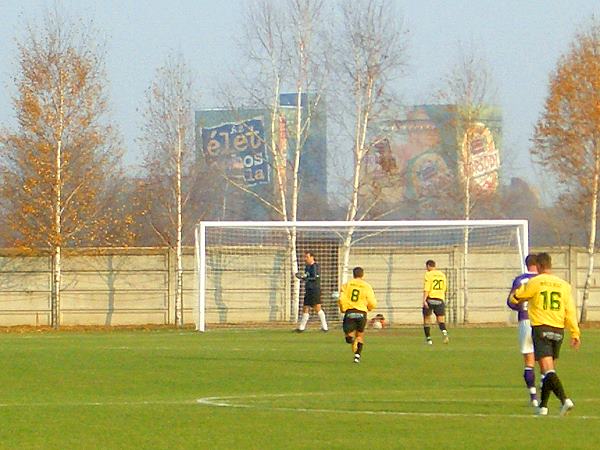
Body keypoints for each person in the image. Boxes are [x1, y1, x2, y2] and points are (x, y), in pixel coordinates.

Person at [510, 252, 581, 416]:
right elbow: (570, 311)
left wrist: (516, 295)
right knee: (547, 370)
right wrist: (575, 333)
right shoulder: (564, 285)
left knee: (547, 370)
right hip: (558, 330)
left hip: (542, 328)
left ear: (539, 266)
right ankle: (543, 407)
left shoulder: (535, 282)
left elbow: (517, 298)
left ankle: (565, 400)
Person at [506, 254, 539, 408]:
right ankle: (546, 397)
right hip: (542, 320)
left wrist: (520, 305)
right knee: (547, 360)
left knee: (529, 361)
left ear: (526, 265)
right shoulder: (543, 279)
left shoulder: (520, 280)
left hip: (525, 320)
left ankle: (533, 397)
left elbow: (511, 301)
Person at [338, 266, 377, 363]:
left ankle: (350, 339)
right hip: (361, 313)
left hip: (350, 312)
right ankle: (357, 356)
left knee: (348, 336)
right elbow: (372, 301)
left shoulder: (347, 285)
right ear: (362, 275)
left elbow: (341, 298)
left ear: (353, 274)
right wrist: (370, 308)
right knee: (360, 336)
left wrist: (343, 309)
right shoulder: (367, 286)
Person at [295, 251, 328, 332]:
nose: (305, 259)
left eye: (307, 257)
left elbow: (315, 278)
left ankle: (325, 327)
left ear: (312, 257)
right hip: (309, 290)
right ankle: (301, 328)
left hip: (315, 290)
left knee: (317, 308)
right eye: (305, 257)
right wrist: (302, 277)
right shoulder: (307, 267)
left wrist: (305, 278)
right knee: (305, 307)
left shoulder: (315, 266)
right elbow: (307, 277)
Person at [422, 259, 449, 344]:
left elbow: (427, 288)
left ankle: (429, 340)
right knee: (441, 320)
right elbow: (445, 288)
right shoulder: (442, 275)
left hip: (430, 298)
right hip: (440, 299)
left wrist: (424, 300)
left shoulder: (428, 274)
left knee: (427, 319)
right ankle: (445, 334)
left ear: (428, 266)